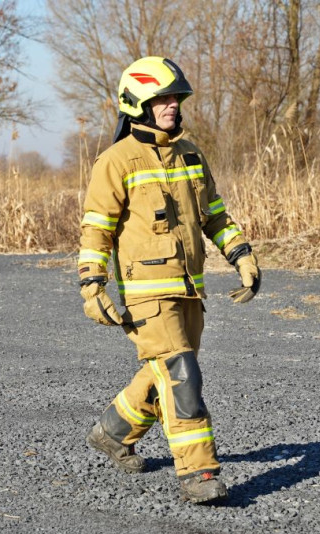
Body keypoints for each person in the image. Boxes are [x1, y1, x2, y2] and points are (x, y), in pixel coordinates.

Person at [77, 56, 261, 505]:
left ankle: (113, 431)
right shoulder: (115, 161)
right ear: (136, 104)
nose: (171, 106)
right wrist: (91, 284)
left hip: (190, 289)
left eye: (175, 97)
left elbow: (214, 214)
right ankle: (198, 473)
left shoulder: (192, 154)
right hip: (146, 294)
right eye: (161, 99)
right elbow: (97, 227)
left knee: (164, 371)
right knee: (182, 375)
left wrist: (241, 254)